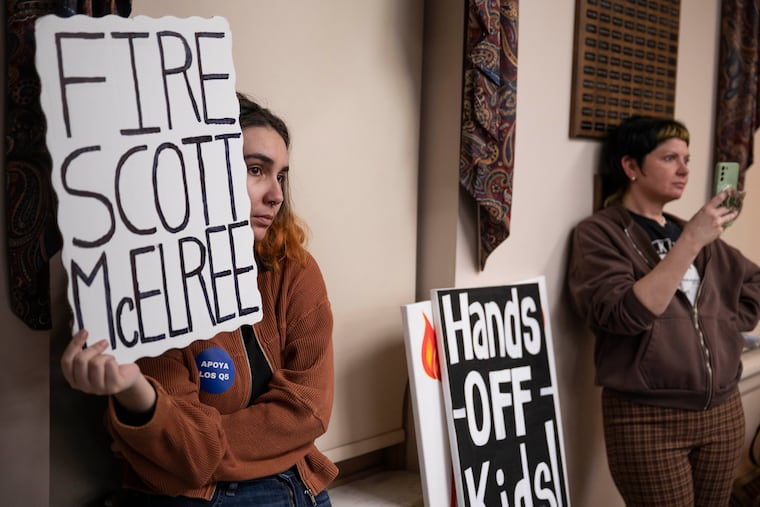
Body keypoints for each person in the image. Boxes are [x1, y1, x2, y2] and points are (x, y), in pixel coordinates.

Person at [60, 93, 337, 506]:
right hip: (190, 495)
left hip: (296, 482)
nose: (276, 194)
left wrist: (201, 442)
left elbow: (309, 410)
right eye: (256, 170)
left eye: (280, 176)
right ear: (201, 171)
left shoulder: (295, 269)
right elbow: (185, 458)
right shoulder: (151, 280)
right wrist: (137, 392)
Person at [567, 115, 760, 506]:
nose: (685, 170)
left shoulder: (691, 230)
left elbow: (753, 285)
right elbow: (622, 315)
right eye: (670, 158)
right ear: (631, 167)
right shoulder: (601, 234)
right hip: (647, 419)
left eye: (686, 158)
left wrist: (720, 326)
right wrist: (690, 241)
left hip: (723, 411)